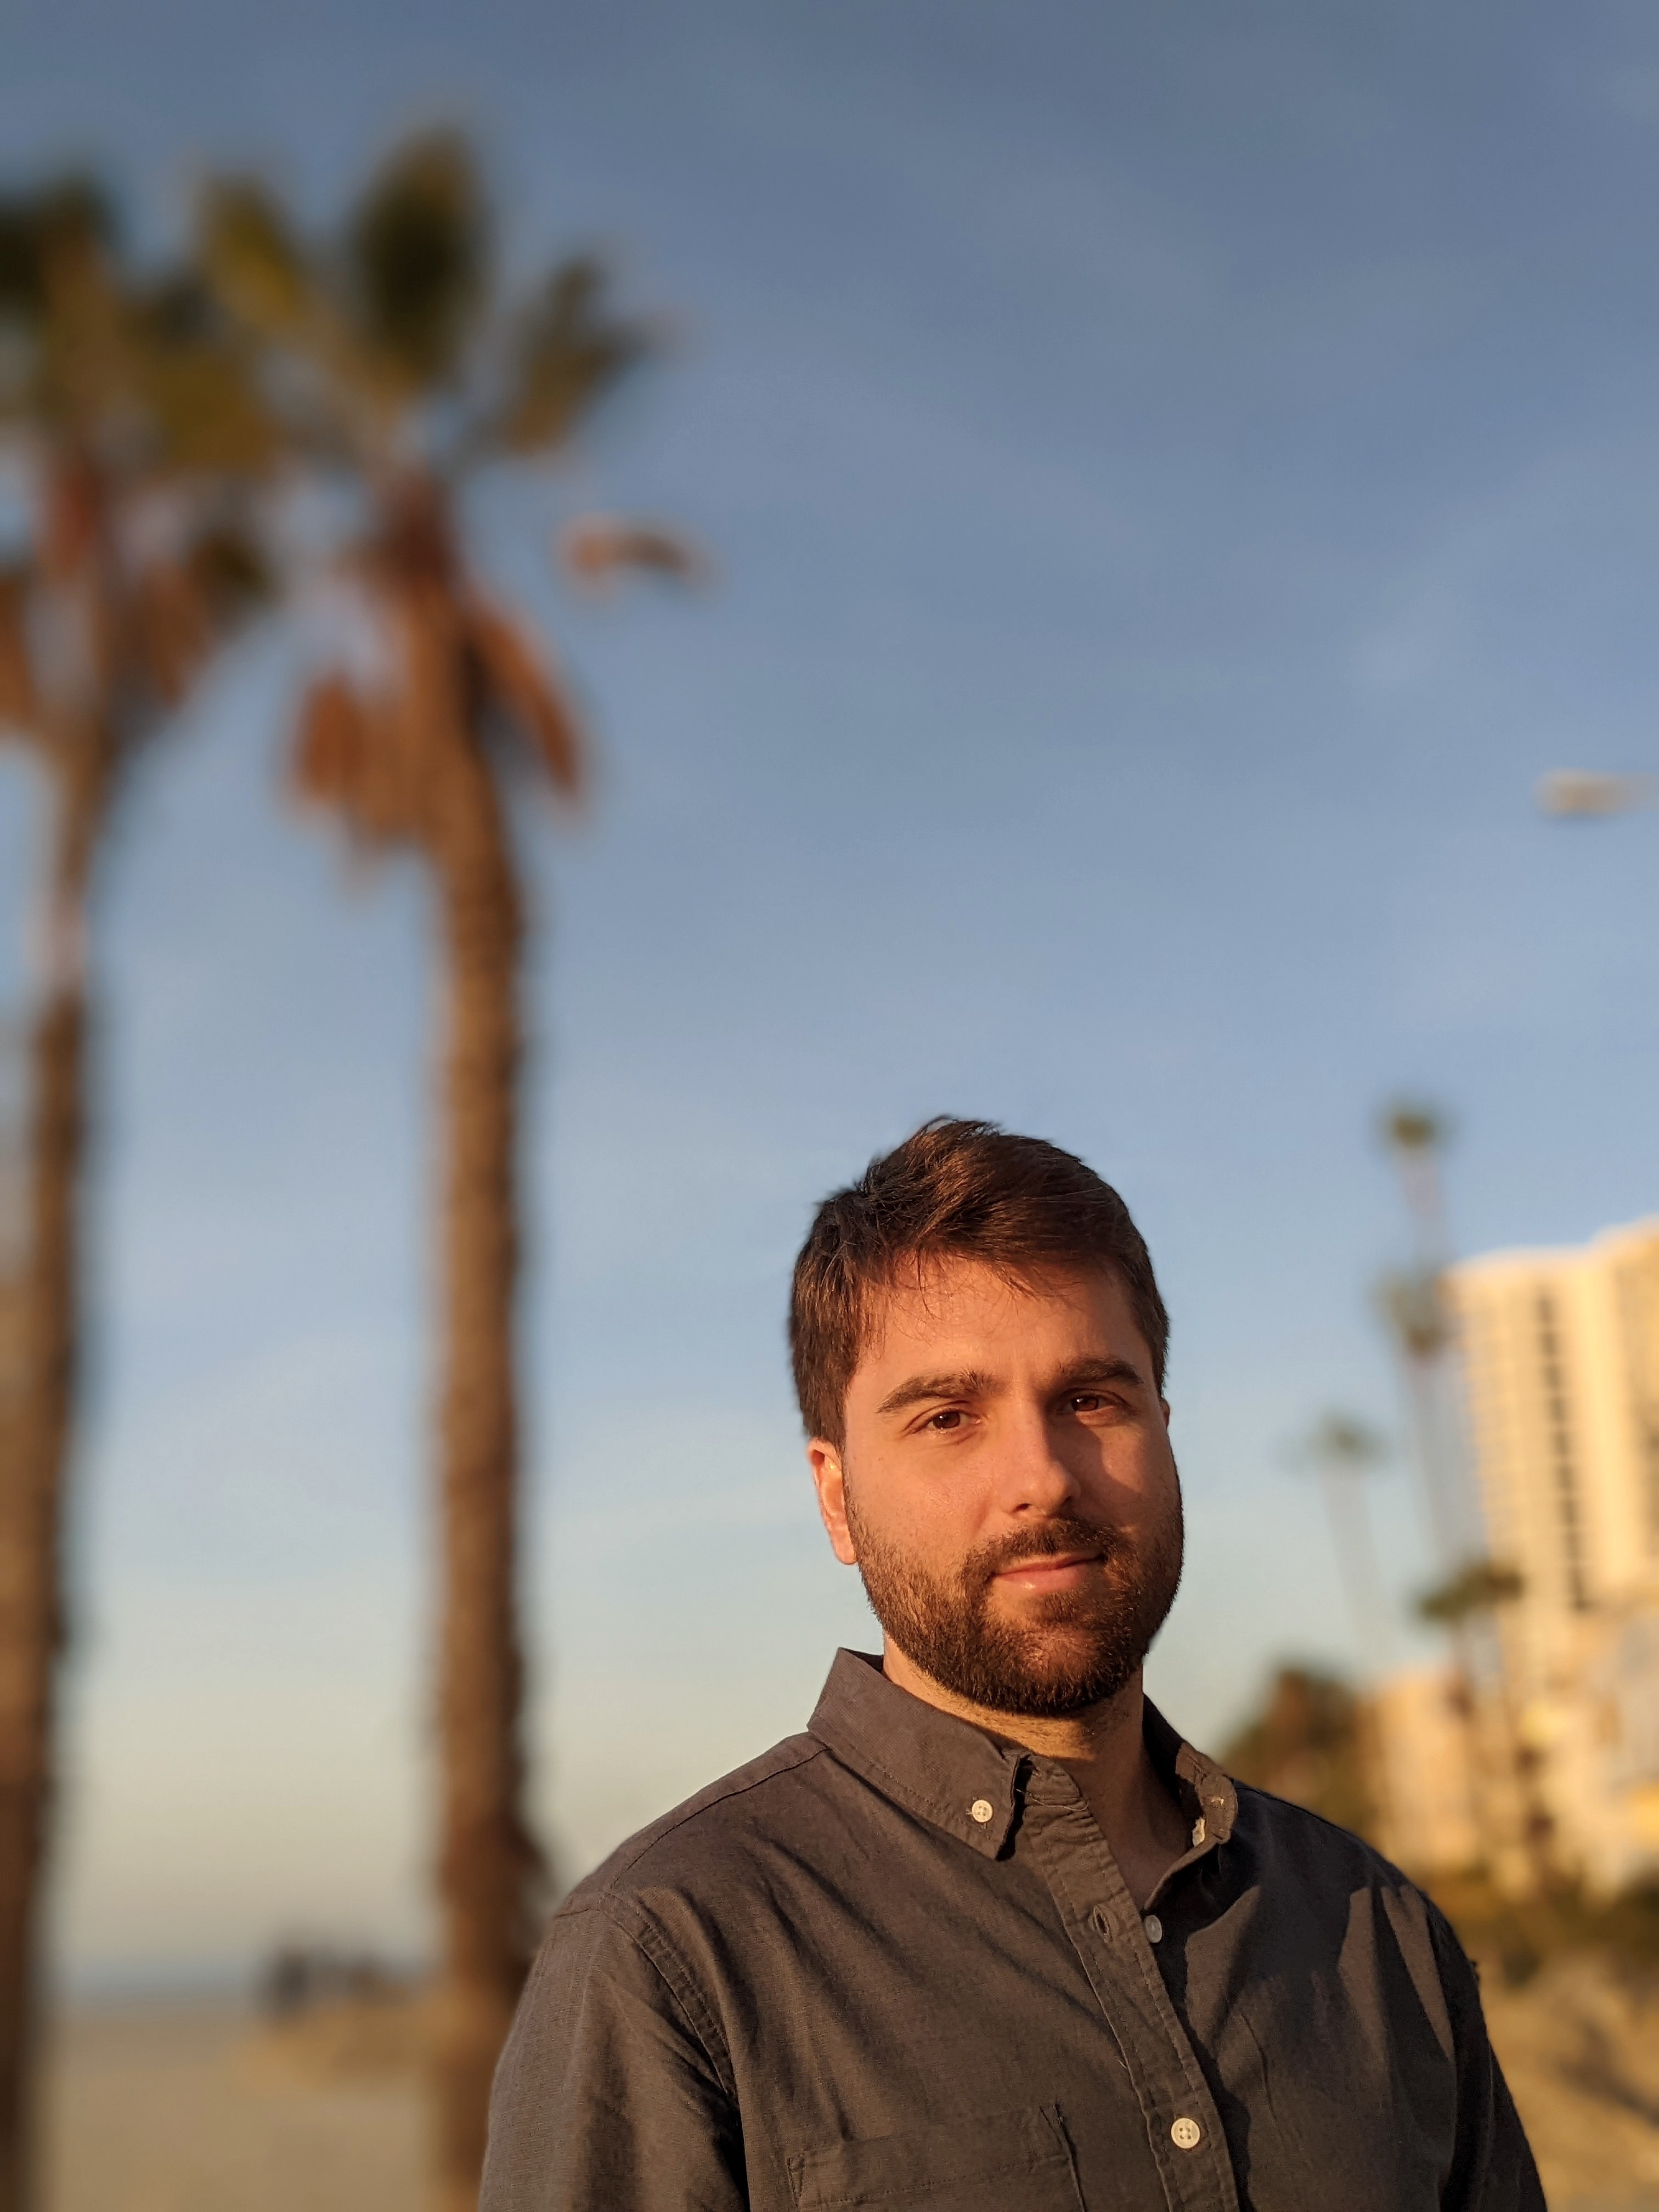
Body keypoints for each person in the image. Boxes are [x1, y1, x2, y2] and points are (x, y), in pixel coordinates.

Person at [482, 1118, 1542, 2211]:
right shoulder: (675, 1955)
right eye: (949, 1417)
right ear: (835, 1497)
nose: (1042, 1478)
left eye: (1092, 1400)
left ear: (1164, 1434)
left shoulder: (1376, 1930)